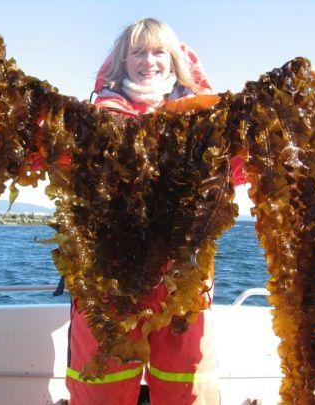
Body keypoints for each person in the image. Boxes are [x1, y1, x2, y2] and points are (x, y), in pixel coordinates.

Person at [65, 18, 246, 405]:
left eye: (158, 51)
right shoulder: (93, 120)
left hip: (183, 280)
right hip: (108, 279)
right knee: (101, 383)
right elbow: (55, 162)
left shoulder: (208, 118)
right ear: (122, 61)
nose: (149, 60)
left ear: (175, 58)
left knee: (186, 383)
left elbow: (238, 168)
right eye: (137, 52)